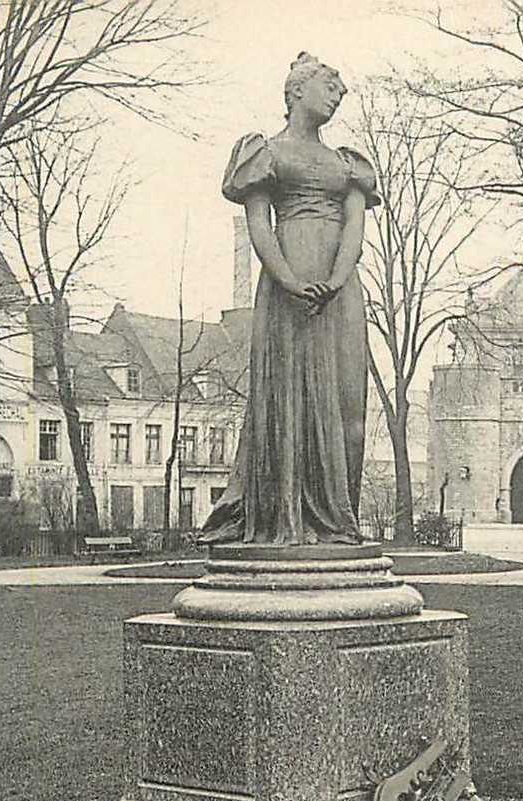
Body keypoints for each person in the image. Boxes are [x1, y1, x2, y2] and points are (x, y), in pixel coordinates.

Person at [198, 52, 381, 545]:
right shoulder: (266, 153)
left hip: (339, 294)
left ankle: (339, 519)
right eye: (329, 85)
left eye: (341, 90)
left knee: (350, 410)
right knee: (288, 402)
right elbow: (260, 224)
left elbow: (355, 228)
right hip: (287, 289)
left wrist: (337, 280)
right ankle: (286, 518)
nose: (338, 94)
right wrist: (289, 282)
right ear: (296, 90)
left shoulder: (349, 164)